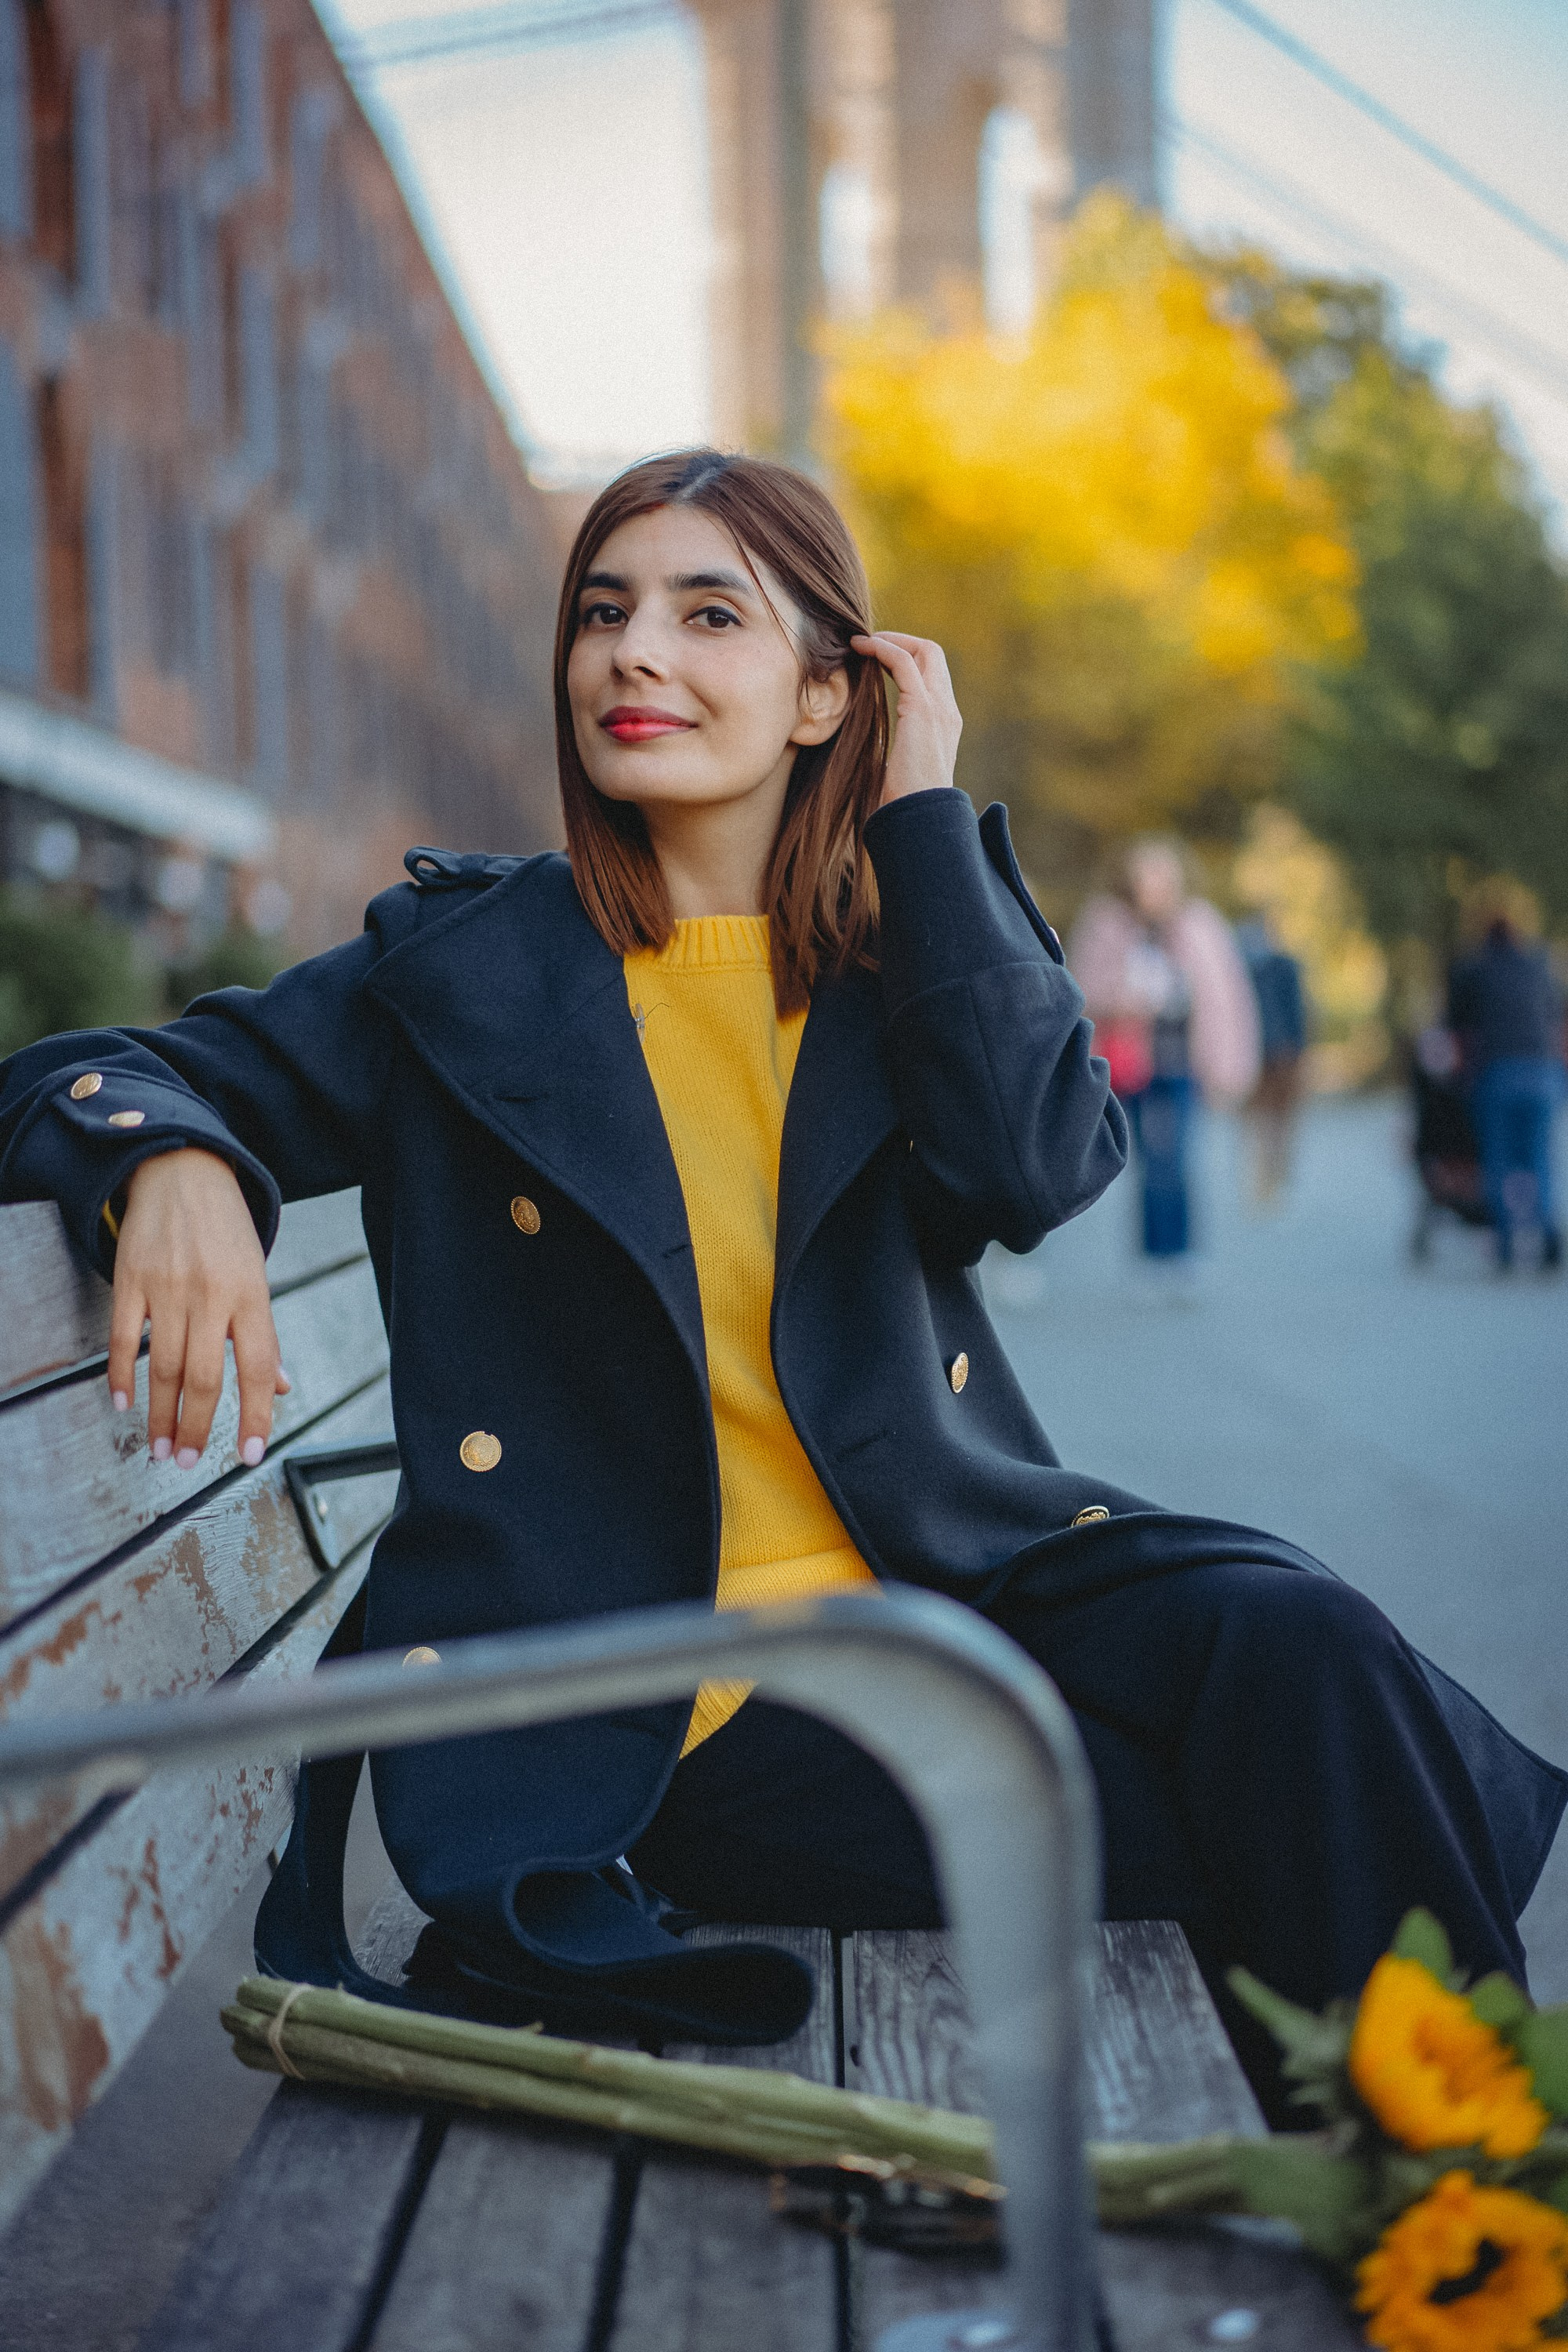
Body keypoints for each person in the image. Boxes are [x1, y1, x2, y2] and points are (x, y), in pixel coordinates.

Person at [0, 451, 1559, 2076]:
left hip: (954, 1587)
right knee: (1310, 1824)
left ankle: (1467, 2189)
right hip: (677, 1701)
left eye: (706, 614)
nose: (632, 655)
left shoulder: (897, 960)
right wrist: (171, 1162)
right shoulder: (468, 970)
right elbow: (84, 1069)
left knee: (1310, 1655)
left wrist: (926, 817)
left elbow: (1036, 1169)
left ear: (827, 694)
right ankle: (1464, 2200)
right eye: (602, 613)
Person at [1069, 843, 1259, 1271]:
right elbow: (1082, 992)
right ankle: (1156, 1253)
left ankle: (1177, 1251)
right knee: (1146, 1161)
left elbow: (1229, 998)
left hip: (1182, 1063)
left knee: (1174, 1157)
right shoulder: (1106, 925)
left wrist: (1232, 1064)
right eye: (1145, 877)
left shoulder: (1200, 925)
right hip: (1129, 1065)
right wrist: (1129, 1000)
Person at [1447, 916, 1565, 1271]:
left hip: (1499, 1073)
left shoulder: (1476, 970)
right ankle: (1546, 1230)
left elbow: (1456, 1026)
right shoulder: (1539, 968)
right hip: (1544, 1074)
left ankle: (1505, 1239)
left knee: (1499, 1158)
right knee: (1539, 1157)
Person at [1236, 916, 1308, 1207]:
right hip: (1250, 1057)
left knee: (1282, 1123)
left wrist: (1297, 1051)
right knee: (1254, 1125)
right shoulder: (1241, 969)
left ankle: (1278, 1181)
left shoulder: (1285, 967)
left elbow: (1298, 1011)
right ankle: (1259, 1186)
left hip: (1283, 1056)